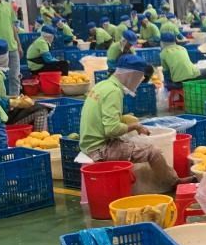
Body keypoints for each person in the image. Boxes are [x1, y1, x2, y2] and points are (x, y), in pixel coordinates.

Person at [78, 54, 187, 193]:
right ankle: (173, 183)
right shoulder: (113, 92)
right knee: (153, 152)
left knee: (131, 143)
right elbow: (111, 130)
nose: (138, 82)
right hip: (99, 149)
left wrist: (124, 119)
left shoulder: (102, 85)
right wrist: (135, 126)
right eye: (138, 78)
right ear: (131, 75)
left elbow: (102, 117)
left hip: (88, 143)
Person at [0, 40, 51, 131]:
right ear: (5, 58)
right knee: (41, 110)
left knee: (34, 105)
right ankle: (39, 138)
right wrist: (15, 103)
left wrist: (13, 98)